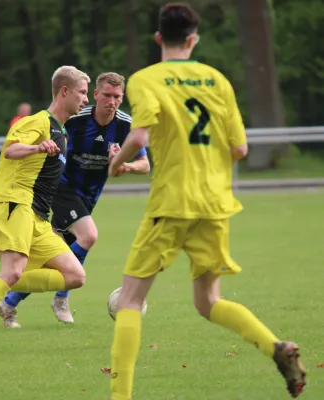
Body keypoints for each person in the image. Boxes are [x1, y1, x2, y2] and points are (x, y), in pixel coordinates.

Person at [106, 3, 306, 400]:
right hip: (214, 204)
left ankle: (120, 396)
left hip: (171, 201)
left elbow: (139, 137)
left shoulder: (146, 80)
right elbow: (241, 148)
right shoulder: (217, 80)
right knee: (208, 301)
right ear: (194, 39)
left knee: (130, 299)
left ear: (159, 38)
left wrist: (117, 163)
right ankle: (275, 347)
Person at [0, 66, 90, 358]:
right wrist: (35, 148)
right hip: (17, 205)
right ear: (64, 91)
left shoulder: (62, 131)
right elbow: (10, 150)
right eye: (83, 92)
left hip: (38, 217)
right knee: (12, 271)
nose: (86, 99)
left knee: (74, 275)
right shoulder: (39, 121)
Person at [0, 72, 150, 327]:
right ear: (96, 95)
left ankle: (8, 303)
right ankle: (61, 298)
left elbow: (145, 165)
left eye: (117, 97)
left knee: (58, 259)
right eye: (107, 96)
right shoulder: (76, 120)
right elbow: (48, 133)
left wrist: (123, 164)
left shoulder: (125, 125)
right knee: (89, 236)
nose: (112, 101)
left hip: (89, 197)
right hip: (61, 189)